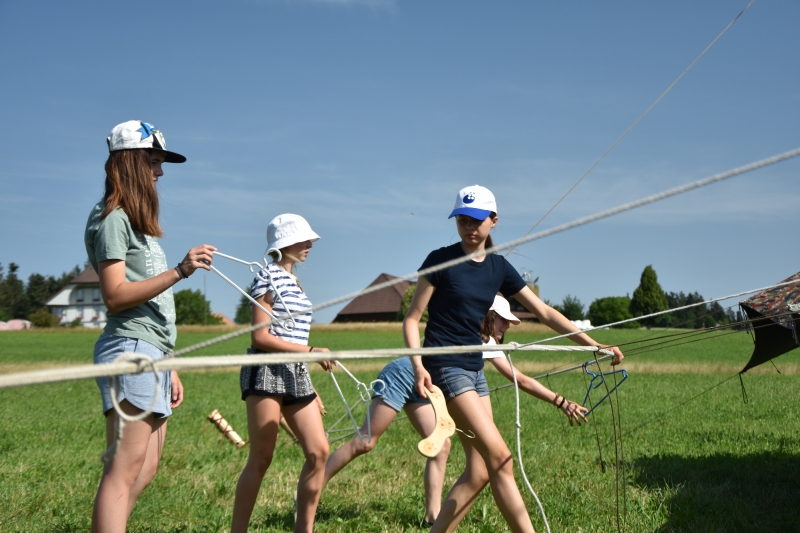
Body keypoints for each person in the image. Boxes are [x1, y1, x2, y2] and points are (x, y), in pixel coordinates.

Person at [403, 185, 624, 533]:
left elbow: (545, 312)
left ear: (493, 220)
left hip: (475, 371)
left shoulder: (499, 268)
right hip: (446, 368)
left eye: (477, 220)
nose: (469, 226)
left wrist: (593, 345)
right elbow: (412, 318)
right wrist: (418, 366)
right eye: (462, 219)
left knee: (479, 472)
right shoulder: (439, 260)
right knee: (501, 459)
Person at [85, 120, 216, 533]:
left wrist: (169, 363)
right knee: (122, 469)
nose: (160, 172)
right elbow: (115, 295)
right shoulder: (113, 219)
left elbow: (153, 304)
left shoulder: (137, 224)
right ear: (130, 163)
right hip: (130, 348)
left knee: (145, 468)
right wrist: (180, 270)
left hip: (153, 352)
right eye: (154, 162)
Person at [231, 214, 334, 533]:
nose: (310, 244)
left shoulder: (294, 281)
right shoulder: (268, 275)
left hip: (295, 373)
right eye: (304, 240)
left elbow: (292, 337)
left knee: (319, 452)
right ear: (285, 243)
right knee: (261, 458)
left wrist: (308, 381)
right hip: (266, 370)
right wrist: (311, 352)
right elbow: (259, 337)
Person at [322, 356, 452, 527]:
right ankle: (309, 491)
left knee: (440, 444)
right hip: (404, 374)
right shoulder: (478, 344)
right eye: (500, 326)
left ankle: (432, 518)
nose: (500, 329)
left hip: (428, 384)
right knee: (365, 441)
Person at [482, 295, 589, 426]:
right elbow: (521, 380)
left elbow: (521, 379)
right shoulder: (479, 339)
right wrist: (561, 402)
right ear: (488, 316)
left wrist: (562, 402)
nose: (508, 325)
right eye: (504, 319)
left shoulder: (488, 342)